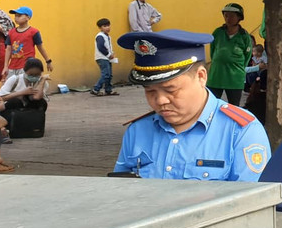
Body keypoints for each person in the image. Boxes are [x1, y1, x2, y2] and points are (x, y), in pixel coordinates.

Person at [113, 29, 270, 180]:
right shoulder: (137, 131)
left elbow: (252, 197)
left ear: (201, 76)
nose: (160, 100)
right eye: (150, 91)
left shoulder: (240, 132)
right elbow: (120, 190)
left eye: (171, 90)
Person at [207, 3, 255, 107]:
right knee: (211, 105)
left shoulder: (244, 36)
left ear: (239, 17)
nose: (228, 19)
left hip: (235, 78)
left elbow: (247, 55)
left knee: (234, 107)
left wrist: (236, 66)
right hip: (216, 76)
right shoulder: (217, 33)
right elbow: (212, 51)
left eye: (232, 16)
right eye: (226, 15)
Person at [5, 6, 51, 80]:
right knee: (10, 85)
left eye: (19, 15)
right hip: (12, 67)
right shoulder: (11, 32)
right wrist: (5, 66)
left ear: (28, 17)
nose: (16, 18)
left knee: (25, 85)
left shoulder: (34, 32)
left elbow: (40, 47)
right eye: (15, 16)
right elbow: (8, 49)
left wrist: (48, 61)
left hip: (26, 67)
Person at [93, 18, 119, 96]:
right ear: (100, 28)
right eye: (104, 26)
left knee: (109, 75)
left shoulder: (107, 36)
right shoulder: (100, 36)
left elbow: (108, 46)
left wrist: (111, 53)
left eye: (108, 25)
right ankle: (96, 89)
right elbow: (101, 47)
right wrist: (108, 54)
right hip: (102, 58)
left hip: (107, 58)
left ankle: (108, 90)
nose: (107, 28)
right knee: (106, 74)